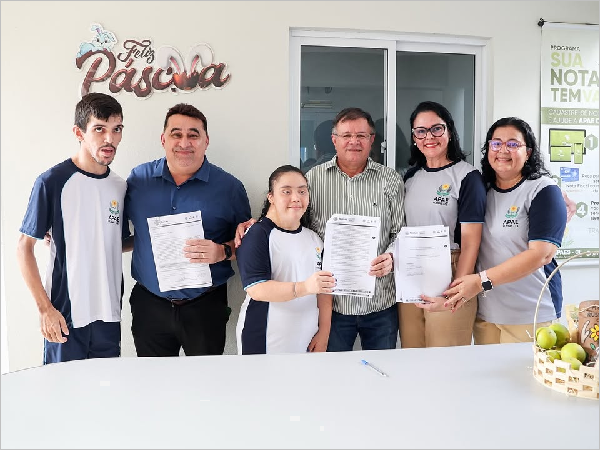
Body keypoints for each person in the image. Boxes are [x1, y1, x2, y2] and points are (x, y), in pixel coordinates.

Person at [237, 107, 405, 351]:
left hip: (380, 302)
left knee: (381, 370)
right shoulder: (313, 180)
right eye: (346, 135)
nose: (354, 141)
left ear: (372, 139)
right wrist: (258, 226)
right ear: (334, 140)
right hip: (331, 305)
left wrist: (391, 257)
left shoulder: (391, 180)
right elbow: (293, 220)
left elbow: (400, 233)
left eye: (361, 135)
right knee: (329, 372)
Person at [418, 117, 567, 344]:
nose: (503, 150)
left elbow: (541, 255)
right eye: (496, 143)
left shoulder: (543, 190)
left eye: (513, 144)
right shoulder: (482, 189)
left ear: (528, 152)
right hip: (487, 313)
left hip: (530, 312)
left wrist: (480, 281)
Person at [123, 103, 251, 357]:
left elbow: (249, 245)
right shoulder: (138, 180)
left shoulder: (230, 188)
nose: (184, 142)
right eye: (176, 134)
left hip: (205, 306)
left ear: (206, 141)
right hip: (150, 304)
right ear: (163, 139)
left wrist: (222, 251)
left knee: (205, 379)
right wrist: (64, 236)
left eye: (193, 135)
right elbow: (114, 227)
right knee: (151, 378)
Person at [16, 93, 126, 364]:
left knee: (108, 389)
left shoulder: (120, 187)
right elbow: (24, 248)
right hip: (65, 315)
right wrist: (45, 310)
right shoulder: (52, 182)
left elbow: (116, 241)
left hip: (109, 316)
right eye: (99, 129)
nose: (110, 139)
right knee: (63, 390)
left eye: (117, 129)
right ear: (79, 132)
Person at [399, 101, 486, 348]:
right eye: (421, 131)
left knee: (445, 358)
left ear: (449, 131)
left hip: (452, 269)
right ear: (414, 137)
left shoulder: (467, 177)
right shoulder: (411, 177)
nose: (429, 137)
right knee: (411, 353)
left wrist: (455, 292)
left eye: (437, 129)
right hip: (411, 272)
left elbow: (471, 243)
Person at [236, 165, 335, 354]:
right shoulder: (257, 234)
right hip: (265, 339)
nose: (296, 198)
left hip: (307, 340)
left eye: (302, 191)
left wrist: (324, 332)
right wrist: (305, 287)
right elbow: (257, 289)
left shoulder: (314, 238)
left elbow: (324, 290)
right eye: (286, 191)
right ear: (271, 197)